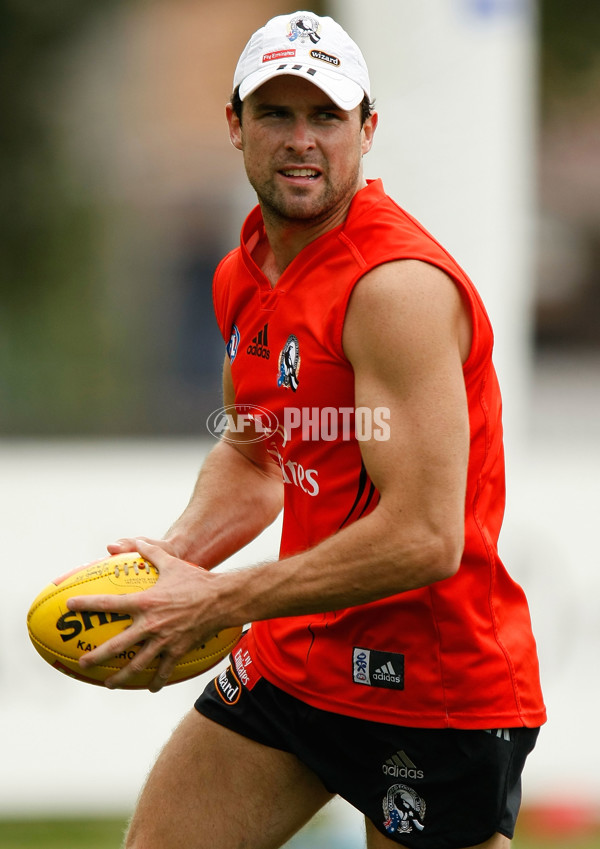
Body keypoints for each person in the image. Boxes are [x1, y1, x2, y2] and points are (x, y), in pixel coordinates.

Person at [68, 10, 546, 849]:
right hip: (298, 655)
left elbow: (428, 537)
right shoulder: (244, 269)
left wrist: (216, 600)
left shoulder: (394, 287)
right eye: (277, 113)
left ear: (367, 130)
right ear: (234, 125)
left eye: (326, 115)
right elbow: (253, 454)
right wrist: (182, 559)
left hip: (429, 681)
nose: (302, 140)